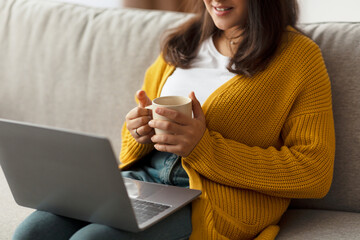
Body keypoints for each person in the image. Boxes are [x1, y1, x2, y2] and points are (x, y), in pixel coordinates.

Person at [13, 0, 335, 239]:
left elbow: (315, 172)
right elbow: (138, 129)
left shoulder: (298, 59)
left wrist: (204, 148)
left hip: (208, 198)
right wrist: (137, 131)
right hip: (142, 180)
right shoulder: (185, 41)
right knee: (32, 232)